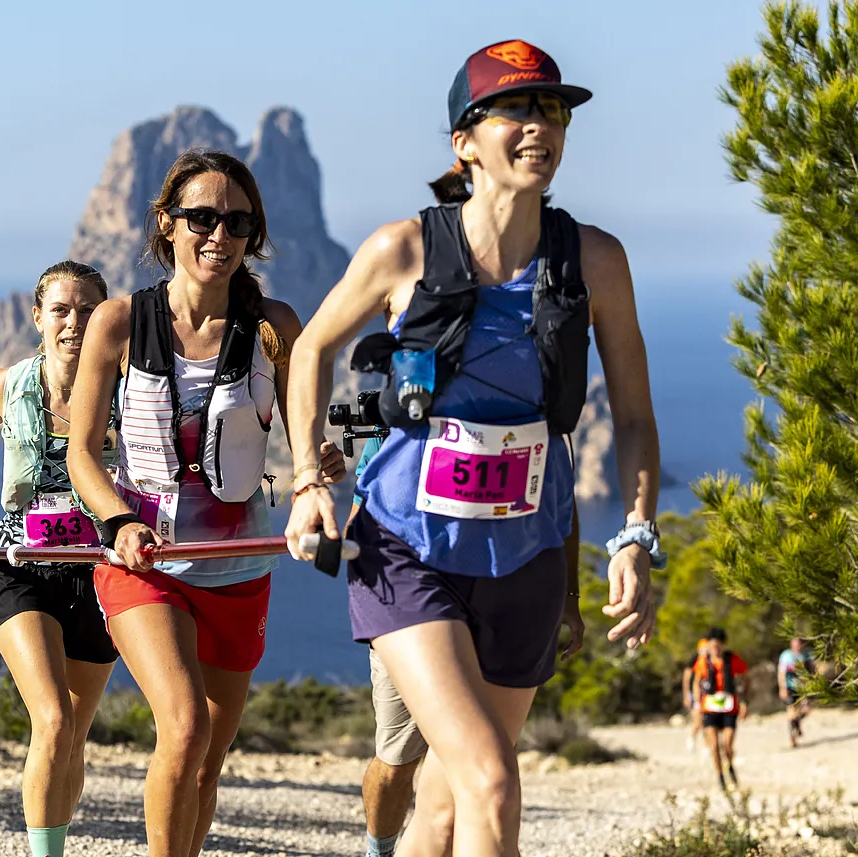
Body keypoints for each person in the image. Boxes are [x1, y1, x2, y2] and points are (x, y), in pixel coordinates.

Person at [284, 39, 664, 857]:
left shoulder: (594, 260)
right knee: (493, 779)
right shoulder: (404, 251)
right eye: (518, 110)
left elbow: (632, 414)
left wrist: (633, 532)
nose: (541, 126)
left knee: (451, 805)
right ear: (465, 141)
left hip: (525, 555)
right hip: (406, 548)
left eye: (553, 110)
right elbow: (310, 350)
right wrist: (309, 480)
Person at [66, 149, 345, 857]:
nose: (219, 235)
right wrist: (119, 520)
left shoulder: (276, 326)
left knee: (207, 759)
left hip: (238, 565)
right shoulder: (119, 323)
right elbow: (82, 454)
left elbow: (310, 430)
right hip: (143, 562)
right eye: (202, 218)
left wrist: (321, 463)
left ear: (253, 236)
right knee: (184, 726)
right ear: (167, 225)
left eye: (239, 223)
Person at [0, 261, 119, 857]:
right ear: (37, 318)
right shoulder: (6, 385)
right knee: (54, 721)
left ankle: (56, 841)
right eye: (61, 310)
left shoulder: (127, 386)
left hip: (101, 573)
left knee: (76, 732)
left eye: (88, 310)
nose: (74, 323)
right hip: (19, 566)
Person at [348, 435, 585, 857]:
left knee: (474, 793)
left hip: (507, 594)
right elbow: (361, 514)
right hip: (414, 604)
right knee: (399, 764)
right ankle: (378, 850)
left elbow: (560, 503)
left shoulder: (536, 402)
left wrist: (570, 596)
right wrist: (308, 478)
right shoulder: (399, 424)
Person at [692, 627, 748, 790]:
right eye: (712, 646)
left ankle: (729, 765)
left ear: (723, 646)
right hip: (709, 709)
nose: (715, 650)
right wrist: (697, 704)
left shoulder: (732, 660)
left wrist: (744, 701)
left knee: (728, 745)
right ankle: (720, 775)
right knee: (714, 746)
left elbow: (746, 678)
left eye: (718, 646)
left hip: (729, 708)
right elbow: (696, 682)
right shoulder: (703, 662)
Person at [778, 636, 814, 748]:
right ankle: (792, 739)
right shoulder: (786, 656)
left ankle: (797, 724)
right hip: (790, 687)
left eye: (798, 644)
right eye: (794, 644)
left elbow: (813, 670)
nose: (796, 646)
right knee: (791, 714)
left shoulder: (807, 655)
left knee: (805, 710)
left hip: (803, 688)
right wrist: (782, 688)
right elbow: (781, 673)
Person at [681, 636, 709, 751]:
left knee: (708, 721)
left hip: (706, 694)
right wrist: (686, 695)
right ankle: (692, 738)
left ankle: (707, 745)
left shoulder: (711, 660)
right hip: (693, 694)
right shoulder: (694, 660)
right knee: (698, 720)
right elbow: (686, 679)